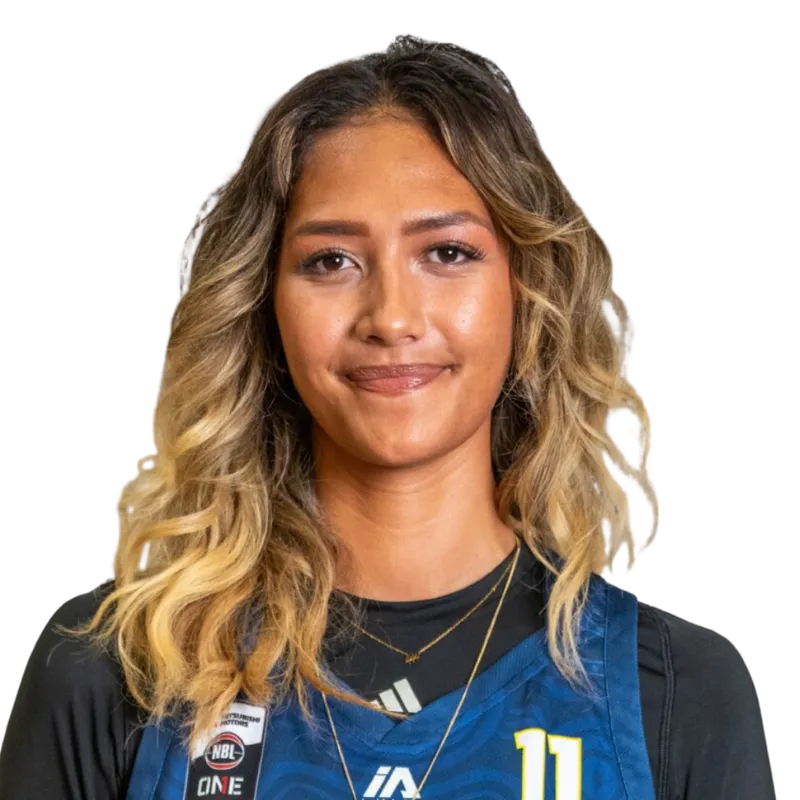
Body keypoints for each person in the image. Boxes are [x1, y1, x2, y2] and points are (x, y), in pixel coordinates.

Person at [0, 35, 774, 799]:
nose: (392, 317)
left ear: (528, 289)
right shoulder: (115, 673)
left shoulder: (674, 693)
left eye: (447, 253)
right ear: (263, 305)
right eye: (331, 261)